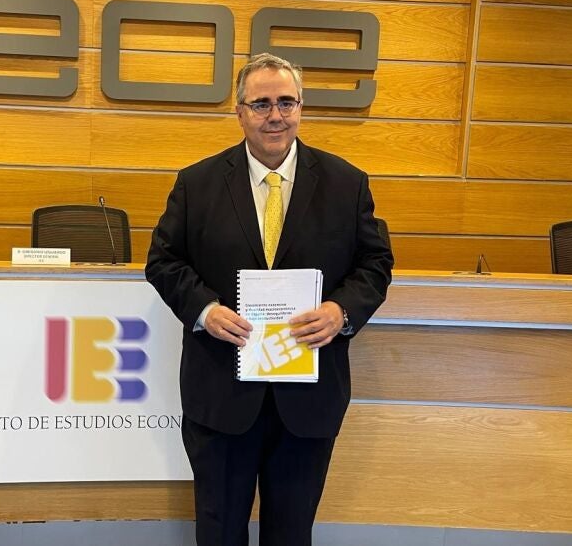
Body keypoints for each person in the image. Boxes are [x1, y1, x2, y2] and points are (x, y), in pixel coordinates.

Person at [145, 53, 393, 546]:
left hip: (308, 399)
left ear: (301, 108)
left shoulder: (347, 184)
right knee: (219, 532)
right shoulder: (197, 183)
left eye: (286, 102)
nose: (274, 115)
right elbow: (164, 261)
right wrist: (205, 311)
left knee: (291, 534)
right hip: (222, 394)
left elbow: (375, 263)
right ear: (239, 111)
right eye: (261, 104)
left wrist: (341, 311)